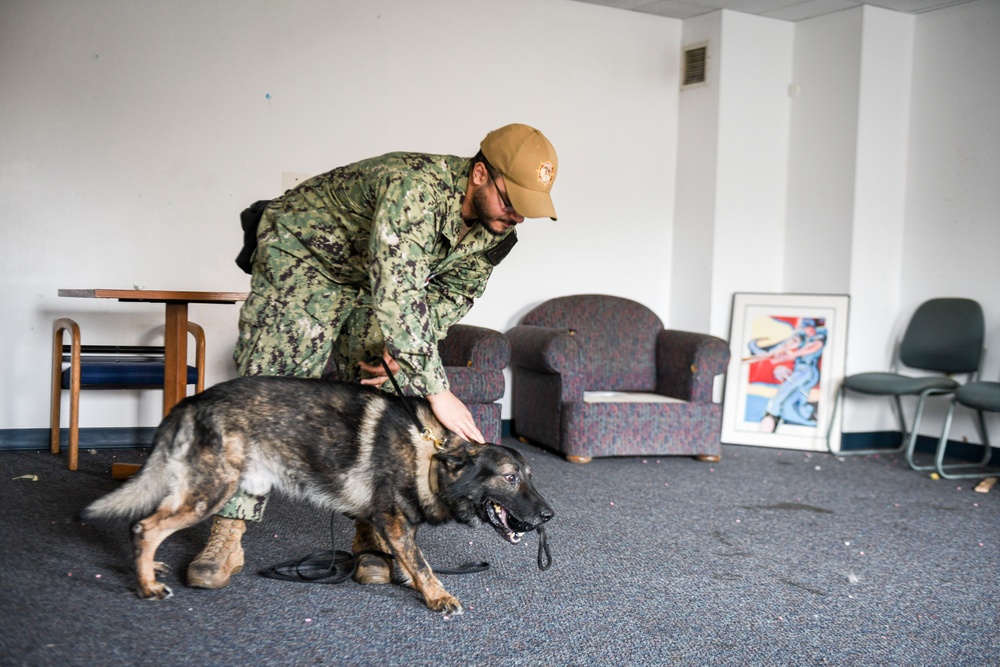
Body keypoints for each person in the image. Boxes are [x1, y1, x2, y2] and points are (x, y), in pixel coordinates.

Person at [186, 123, 559, 590]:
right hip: (305, 258)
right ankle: (227, 534)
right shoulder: (416, 189)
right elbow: (399, 292)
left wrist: (400, 358)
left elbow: (448, 295)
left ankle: (373, 532)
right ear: (480, 174)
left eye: (528, 209)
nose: (518, 216)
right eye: (512, 202)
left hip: (372, 284)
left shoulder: (496, 233)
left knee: (382, 394)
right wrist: (438, 390)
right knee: (270, 392)